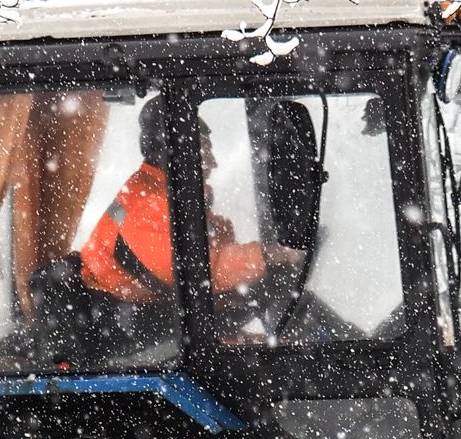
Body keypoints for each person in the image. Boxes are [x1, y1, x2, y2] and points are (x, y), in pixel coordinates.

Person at [80, 99, 302, 307]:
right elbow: (202, 274)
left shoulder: (166, 192)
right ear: (175, 154)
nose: (213, 163)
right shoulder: (149, 206)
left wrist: (252, 252)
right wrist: (270, 255)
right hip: (124, 317)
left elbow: (203, 243)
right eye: (205, 151)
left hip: (147, 312)